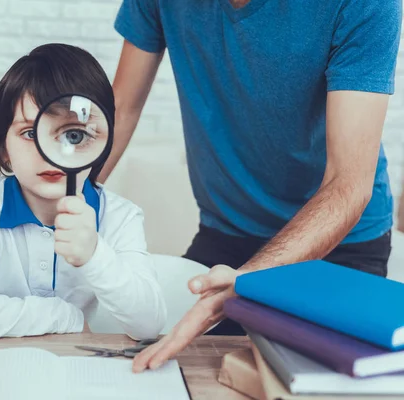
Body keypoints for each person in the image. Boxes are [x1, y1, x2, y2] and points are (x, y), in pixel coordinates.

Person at [96, 0, 402, 371]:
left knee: (309, 384)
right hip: (227, 234)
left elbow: (348, 183)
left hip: (339, 244)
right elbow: (122, 106)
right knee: (173, 368)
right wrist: (63, 201)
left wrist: (248, 282)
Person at [0, 43, 167, 340]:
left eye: (73, 134)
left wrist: (94, 254)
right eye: (31, 133)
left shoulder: (120, 216)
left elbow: (148, 326)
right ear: (3, 150)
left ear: (100, 145)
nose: (51, 154)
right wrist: (64, 316)